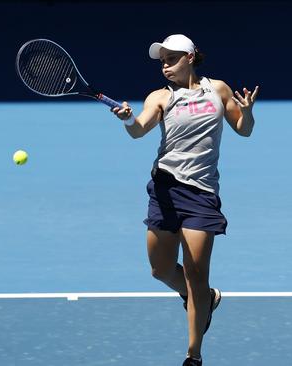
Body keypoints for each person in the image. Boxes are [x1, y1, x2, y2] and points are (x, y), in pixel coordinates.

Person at [112, 34, 259, 366]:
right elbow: (139, 130)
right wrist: (126, 119)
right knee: (160, 269)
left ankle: (194, 354)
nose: (165, 65)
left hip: (202, 194)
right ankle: (205, 299)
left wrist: (247, 113)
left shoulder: (218, 90)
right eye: (161, 60)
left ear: (190, 57)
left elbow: (244, 129)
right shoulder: (159, 97)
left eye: (171, 58)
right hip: (164, 189)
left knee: (196, 274)